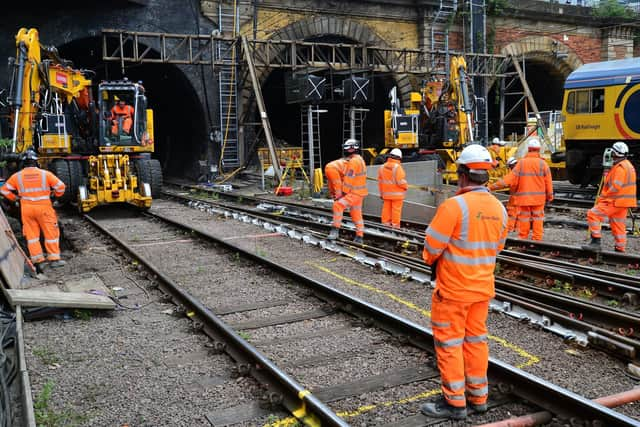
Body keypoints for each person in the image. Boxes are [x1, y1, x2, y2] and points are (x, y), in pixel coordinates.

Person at [421, 144, 508, 420]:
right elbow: (498, 247)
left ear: (461, 174)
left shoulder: (454, 206)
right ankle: (478, 397)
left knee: (449, 345)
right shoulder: (499, 208)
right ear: (486, 176)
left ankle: (455, 403)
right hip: (482, 290)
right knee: (476, 342)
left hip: (453, 292)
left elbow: (430, 249)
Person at [0, 150, 66, 269]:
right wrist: (55, 196)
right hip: (44, 208)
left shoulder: (17, 176)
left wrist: (15, 198)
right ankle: (54, 259)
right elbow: (61, 187)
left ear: (23, 163)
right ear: (36, 162)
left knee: (32, 236)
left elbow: (4, 190)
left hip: (27, 209)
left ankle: (38, 261)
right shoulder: (45, 174)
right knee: (51, 233)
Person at [584, 141, 637, 252]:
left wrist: (604, 196)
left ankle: (596, 242)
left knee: (592, 214)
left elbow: (615, 187)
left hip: (615, 201)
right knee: (618, 224)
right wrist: (607, 173)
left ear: (615, 153)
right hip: (624, 202)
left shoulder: (620, 168)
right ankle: (620, 247)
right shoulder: (628, 166)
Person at [508, 138, 553, 240]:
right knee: (538, 218)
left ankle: (523, 238)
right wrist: (550, 196)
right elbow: (548, 183)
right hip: (539, 200)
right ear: (538, 150)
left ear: (529, 149)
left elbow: (510, 180)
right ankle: (537, 239)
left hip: (524, 199)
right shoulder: (543, 164)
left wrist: (491, 186)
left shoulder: (521, 163)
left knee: (524, 218)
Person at [327, 139, 368, 244]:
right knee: (356, 214)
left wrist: (343, 194)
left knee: (338, 205)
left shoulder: (353, 162)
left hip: (354, 193)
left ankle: (335, 231)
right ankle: (359, 237)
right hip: (360, 193)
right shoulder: (360, 160)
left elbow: (349, 179)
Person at [378, 148, 408, 228]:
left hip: (386, 194)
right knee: (396, 210)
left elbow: (380, 182)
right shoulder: (397, 167)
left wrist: (381, 193)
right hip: (397, 195)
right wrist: (406, 186)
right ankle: (395, 226)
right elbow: (401, 181)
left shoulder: (382, 167)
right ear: (399, 158)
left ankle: (385, 224)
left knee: (386, 209)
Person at [488, 156, 519, 232]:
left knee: (512, 212)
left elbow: (503, 183)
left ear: (512, 165)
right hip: (528, 197)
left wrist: (489, 188)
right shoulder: (525, 171)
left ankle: (510, 229)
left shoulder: (515, 173)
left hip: (517, 196)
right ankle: (518, 229)